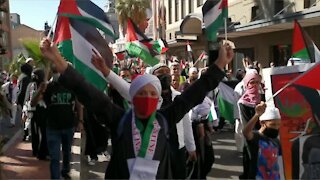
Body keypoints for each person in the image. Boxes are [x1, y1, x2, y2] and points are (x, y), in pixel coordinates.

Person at [40, 37, 233, 179]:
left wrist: (220, 63)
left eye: (151, 94)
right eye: (141, 93)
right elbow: (86, 92)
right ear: (133, 96)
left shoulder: (165, 118)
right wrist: (58, 59)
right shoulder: (119, 119)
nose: (146, 98)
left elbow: (195, 93)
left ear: (158, 98)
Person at [32, 66, 82, 179]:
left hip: (68, 126)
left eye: (58, 71)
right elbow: (33, 103)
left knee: (67, 152)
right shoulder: (47, 87)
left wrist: (80, 121)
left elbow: (79, 104)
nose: (57, 74)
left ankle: (65, 170)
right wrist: (40, 90)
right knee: (54, 157)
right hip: (52, 127)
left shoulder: (70, 86)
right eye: (54, 71)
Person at [242, 102, 282, 179]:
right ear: (262, 123)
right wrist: (257, 114)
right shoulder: (255, 137)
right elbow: (246, 132)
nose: (276, 127)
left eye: (278, 124)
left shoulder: (276, 141)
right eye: (273, 124)